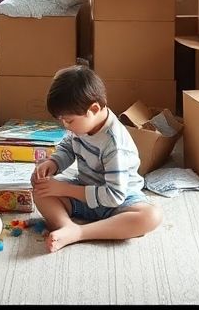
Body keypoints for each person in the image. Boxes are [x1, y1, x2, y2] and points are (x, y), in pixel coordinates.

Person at [30, 65, 163, 252]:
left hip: (119, 201)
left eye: (69, 120)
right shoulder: (83, 126)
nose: (66, 126)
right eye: (62, 120)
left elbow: (114, 196)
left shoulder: (114, 145)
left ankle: (79, 232)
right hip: (85, 192)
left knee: (151, 216)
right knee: (40, 190)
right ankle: (67, 226)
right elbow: (69, 146)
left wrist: (64, 189)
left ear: (93, 109)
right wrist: (54, 163)